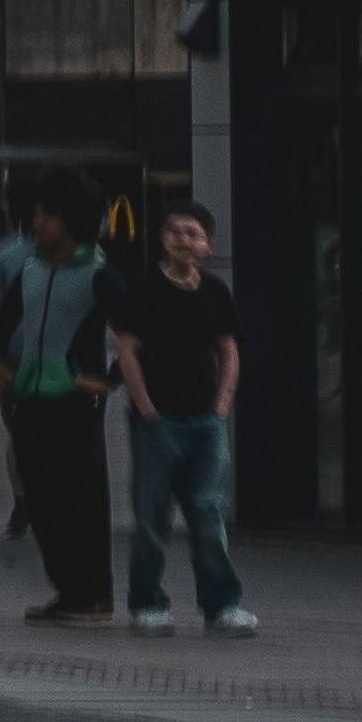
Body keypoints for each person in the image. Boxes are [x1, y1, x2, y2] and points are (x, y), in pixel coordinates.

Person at [109, 198, 259, 637]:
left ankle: (222, 605)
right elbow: (127, 352)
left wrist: (222, 405)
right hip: (157, 423)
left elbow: (228, 350)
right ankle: (148, 604)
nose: (183, 240)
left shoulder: (215, 292)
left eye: (192, 233)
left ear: (207, 244)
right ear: (162, 238)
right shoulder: (143, 291)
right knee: (151, 518)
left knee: (208, 513)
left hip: (205, 423)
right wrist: (147, 408)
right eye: (175, 231)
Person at [0, 186, 122, 624]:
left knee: (81, 499)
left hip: (75, 403)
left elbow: (142, 331)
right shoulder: (31, 270)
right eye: (36, 215)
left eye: (47, 215)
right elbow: (1, 322)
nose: (37, 224)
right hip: (31, 398)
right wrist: (1, 363)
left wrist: (107, 380)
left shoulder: (99, 272)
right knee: (41, 499)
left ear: (71, 219)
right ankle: (68, 589)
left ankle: (94, 594)